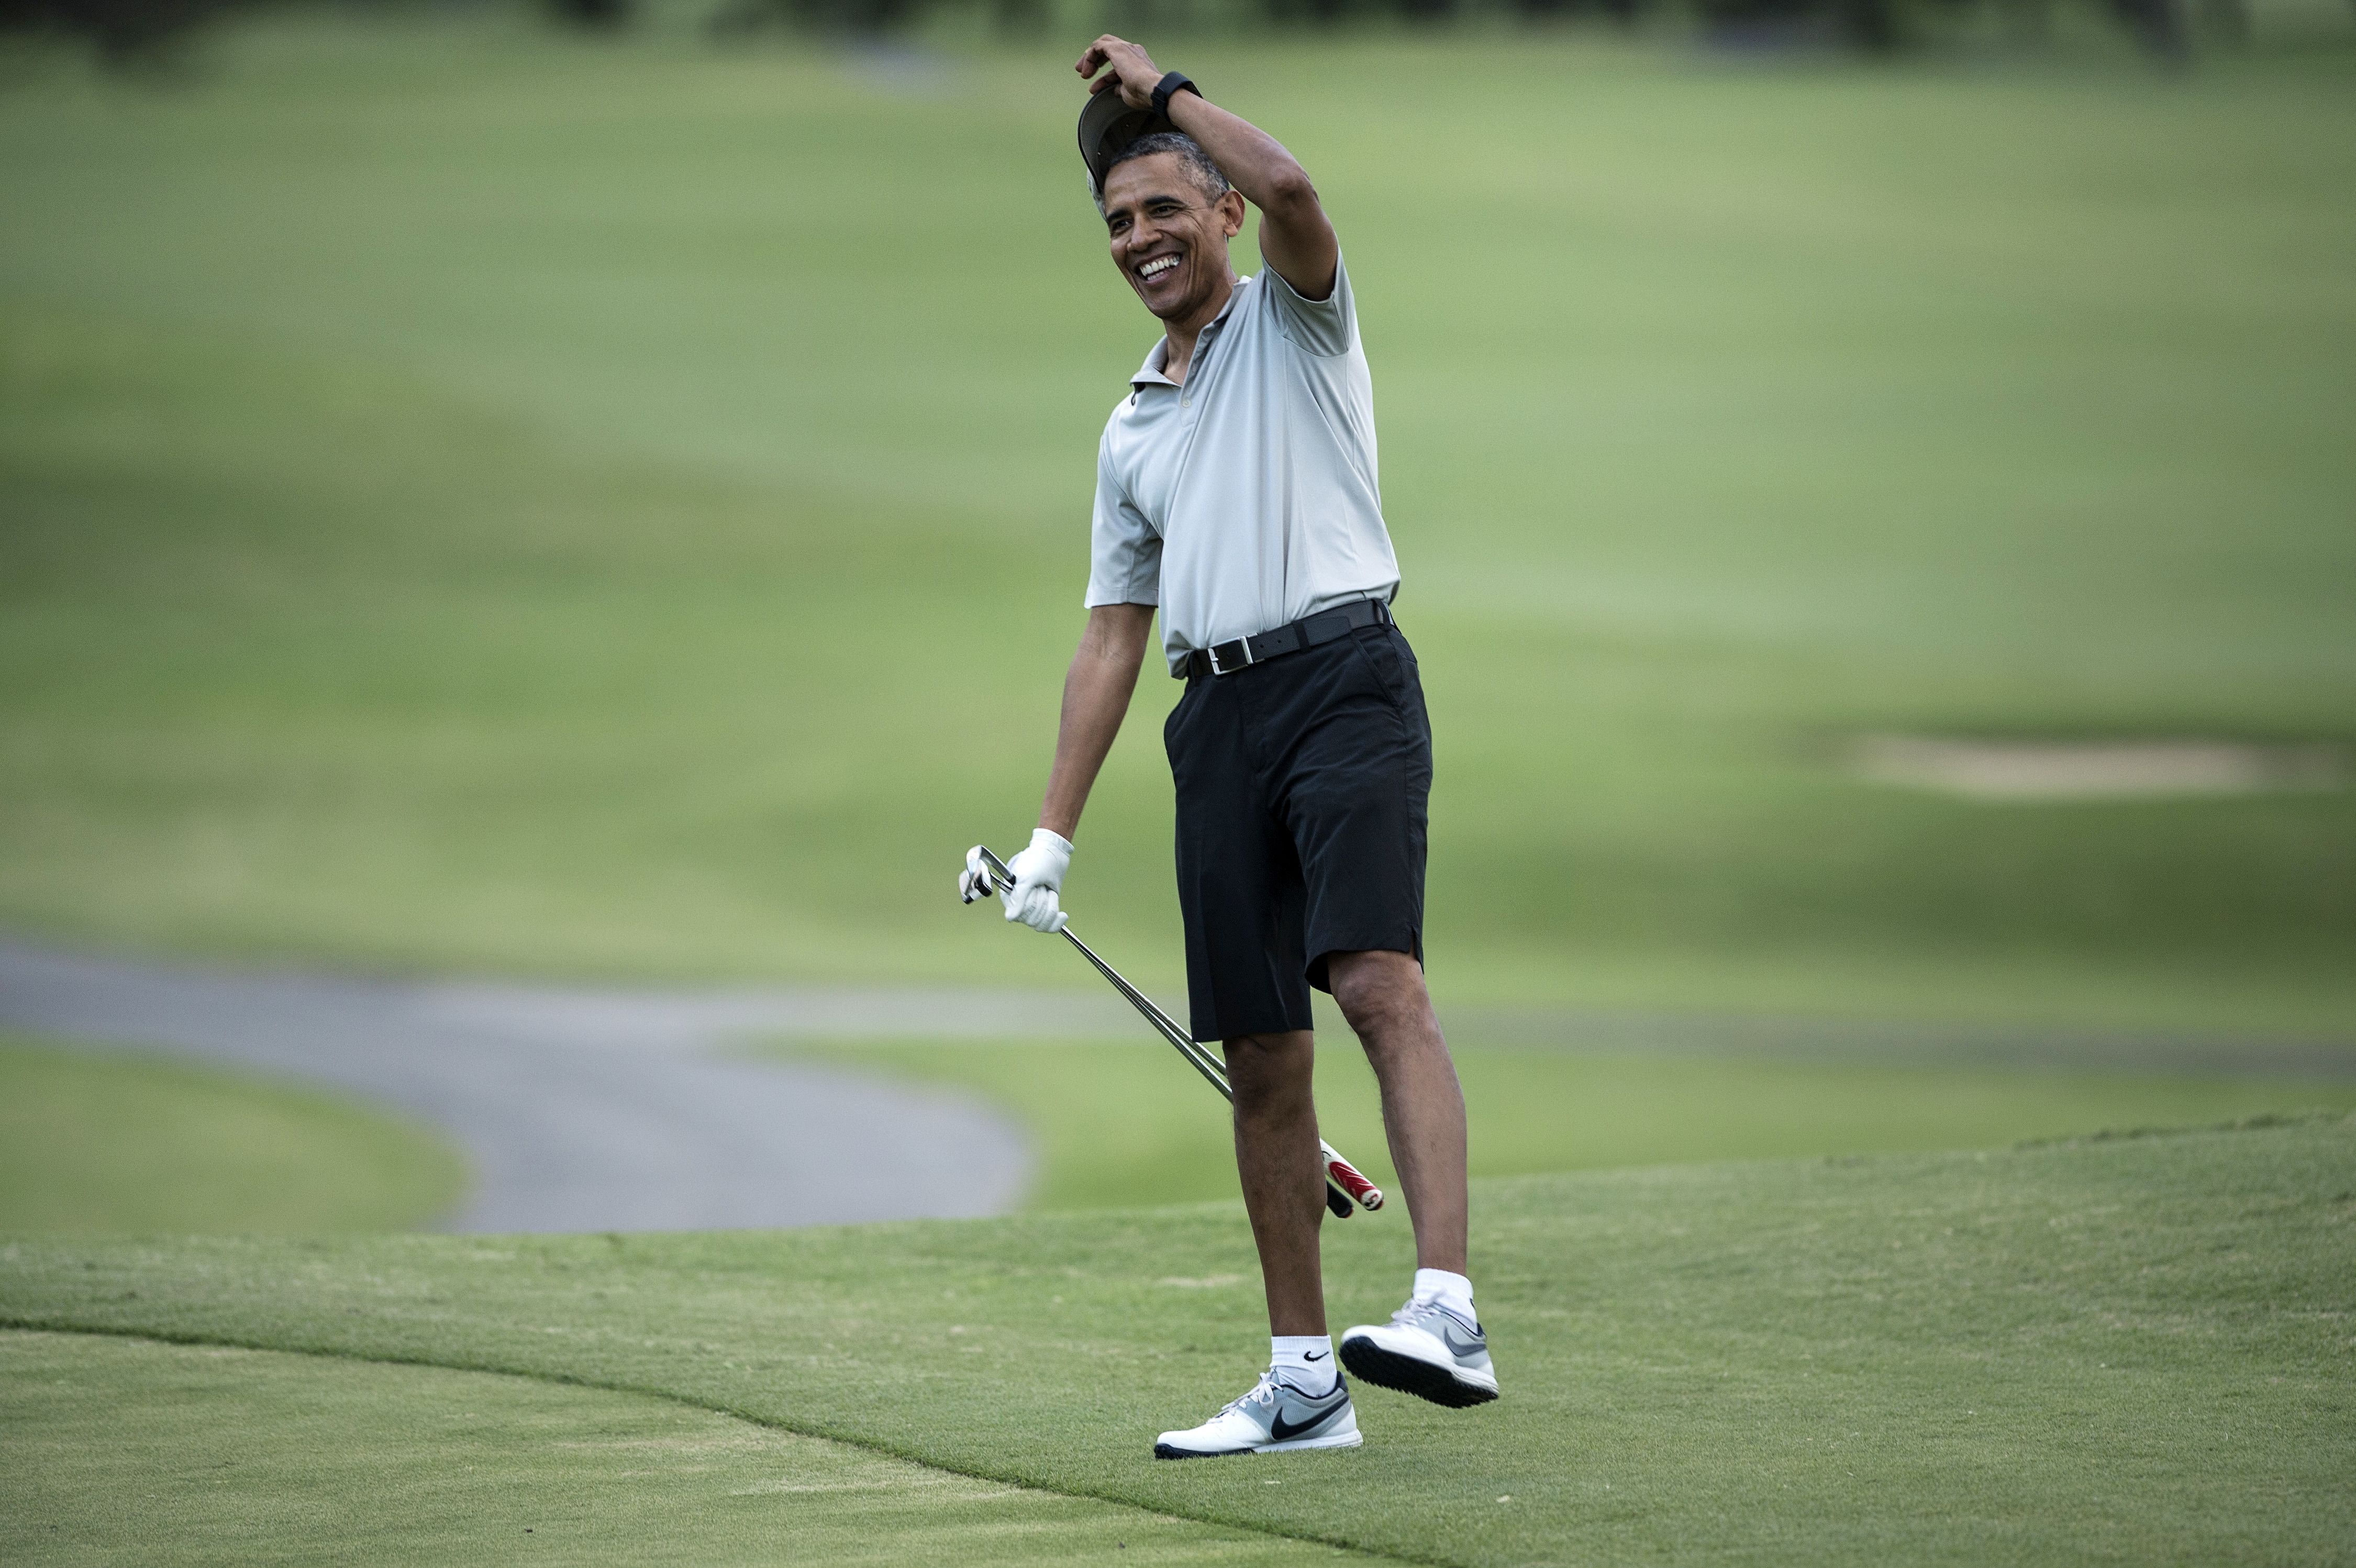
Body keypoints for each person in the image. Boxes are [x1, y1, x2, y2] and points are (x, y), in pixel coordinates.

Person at [992, 35, 1496, 1459]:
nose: (1139, 238)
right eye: (1116, 223)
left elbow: (1292, 180)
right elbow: (1108, 635)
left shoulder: (1298, 318)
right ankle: (1300, 1382)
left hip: (1342, 677)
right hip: (1211, 720)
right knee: (1262, 1053)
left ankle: (1445, 1309)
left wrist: (1158, 93)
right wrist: (1049, 835)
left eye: (1163, 209)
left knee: (1375, 980)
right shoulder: (1130, 424)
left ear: (1217, 216)